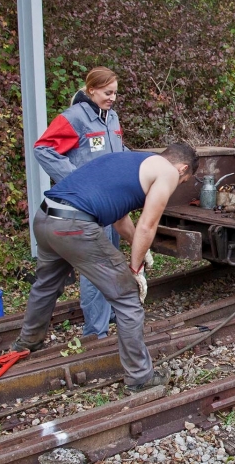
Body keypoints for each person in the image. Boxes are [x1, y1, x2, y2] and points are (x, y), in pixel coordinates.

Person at [11, 145, 199, 392]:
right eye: (183, 179)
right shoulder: (167, 172)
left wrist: (141, 250)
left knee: (46, 285)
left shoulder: (130, 161)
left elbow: (120, 218)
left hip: (46, 218)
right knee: (127, 298)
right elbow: (147, 225)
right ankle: (140, 378)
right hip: (74, 226)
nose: (178, 182)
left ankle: (27, 344)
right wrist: (134, 270)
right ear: (182, 168)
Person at [33, 66, 137, 340]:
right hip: (86, 208)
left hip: (110, 205)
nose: (113, 97)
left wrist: (137, 162)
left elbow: (116, 151)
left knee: (112, 260)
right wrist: (76, 179)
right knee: (97, 269)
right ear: (91, 90)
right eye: (107, 92)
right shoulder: (74, 118)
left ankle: (109, 313)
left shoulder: (111, 117)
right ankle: (96, 332)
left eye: (115, 93)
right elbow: (43, 148)